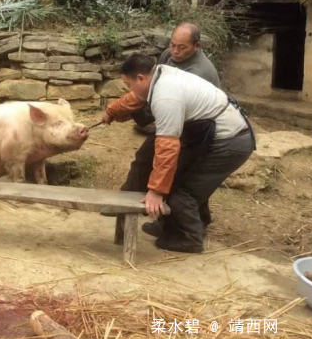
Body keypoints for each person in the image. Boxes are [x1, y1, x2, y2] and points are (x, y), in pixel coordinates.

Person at [102, 54, 255, 253]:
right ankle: (168, 224)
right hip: (207, 132)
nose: (129, 89)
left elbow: (167, 148)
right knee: (165, 173)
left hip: (229, 143)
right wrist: (112, 111)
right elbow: (135, 97)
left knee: (184, 191)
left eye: (128, 84)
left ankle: (190, 237)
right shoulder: (159, 75)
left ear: (140, 78)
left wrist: (156, 191)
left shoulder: (166, 97)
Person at [111, 23, 222, 228]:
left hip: (197, 127)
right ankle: (126, 203)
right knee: (151, 162)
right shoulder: (168, 57)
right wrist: (115, 110)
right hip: (179, 121)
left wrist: (156, 190)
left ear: (197, 46)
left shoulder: (200, 71)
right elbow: (146, 89)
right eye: (172, 45)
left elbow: (165, 109)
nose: (175, 51)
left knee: (175, 170)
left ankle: (164, 219)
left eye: (182, 47)